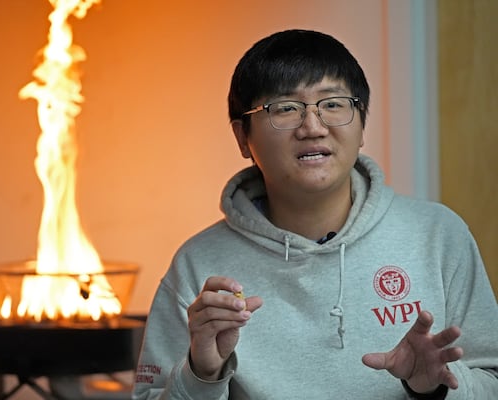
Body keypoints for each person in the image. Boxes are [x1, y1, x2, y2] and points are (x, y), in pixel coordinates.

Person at [131, 29, 498, 399]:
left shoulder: (436, 235)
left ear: (361, 121)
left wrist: (434, 386)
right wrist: (201, 373)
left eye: (333, 104)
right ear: (243, 137)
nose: (313, 127)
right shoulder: (199, 266)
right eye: (285, 109)